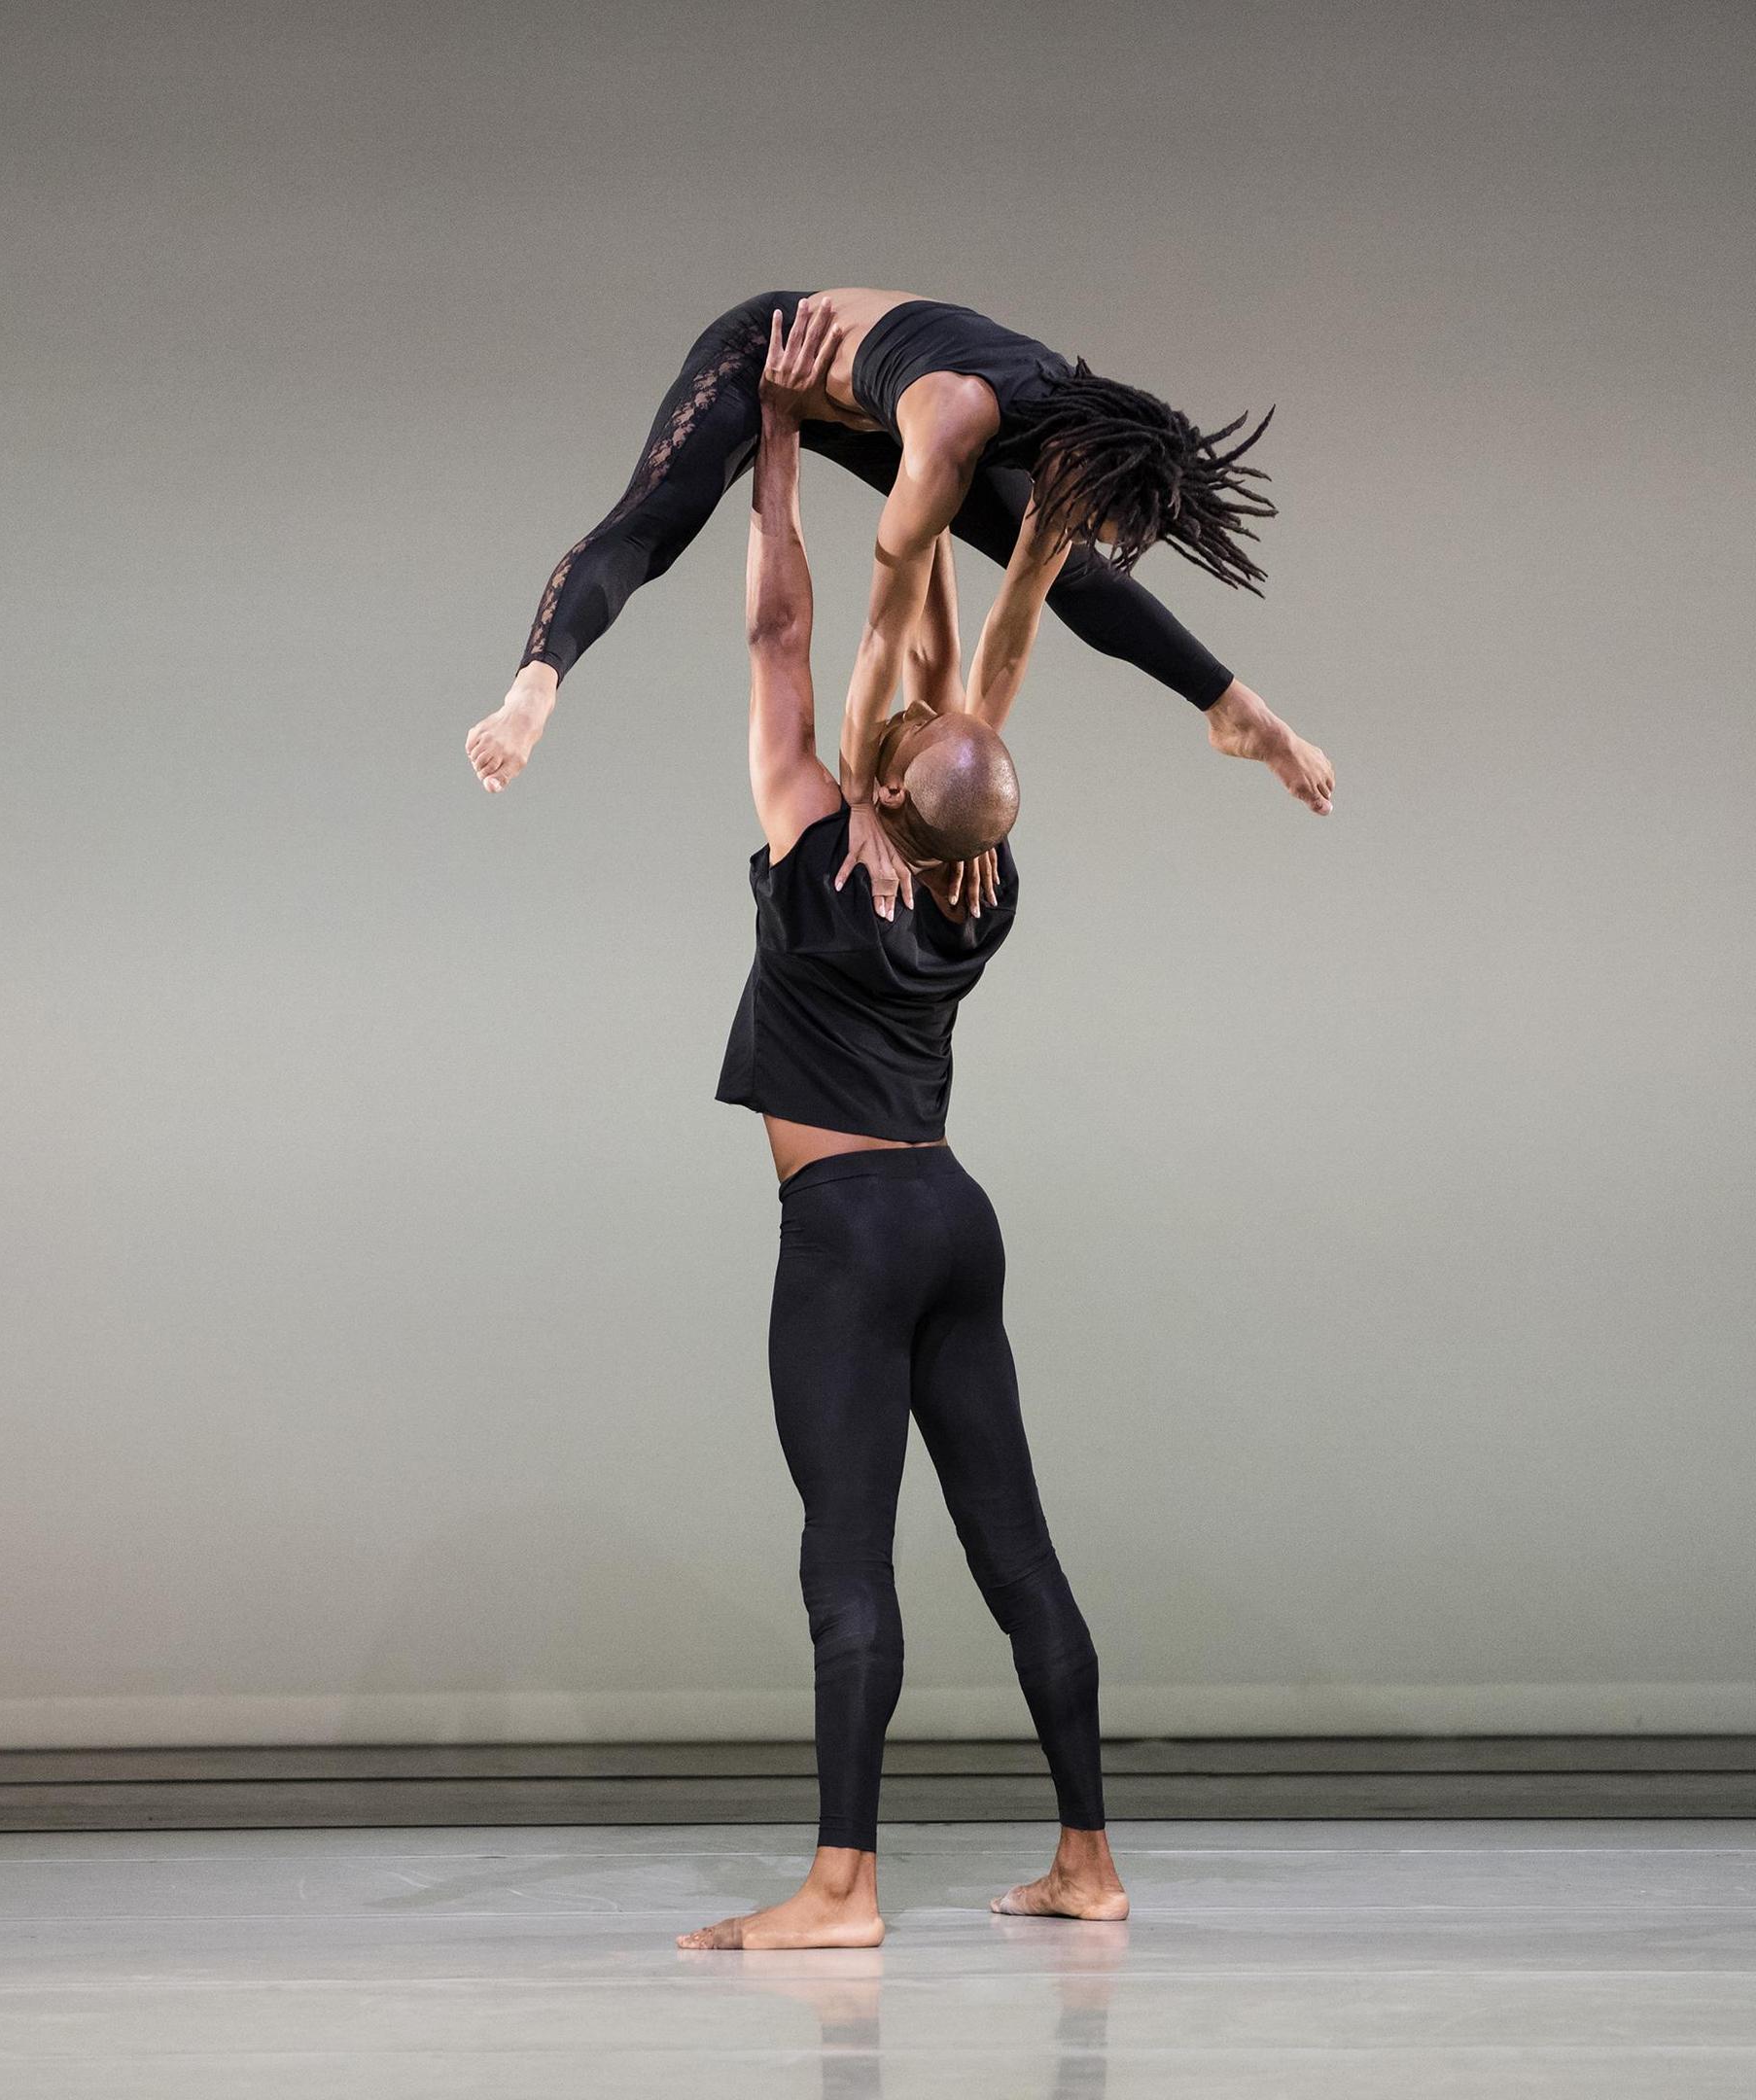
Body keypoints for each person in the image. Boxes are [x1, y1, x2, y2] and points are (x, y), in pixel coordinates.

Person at [677, 312, 1126, 1952]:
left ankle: (841, 1892)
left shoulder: (816, 844)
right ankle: (1089, 1859)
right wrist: (1052, 524)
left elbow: (786, 635)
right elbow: (979, 693)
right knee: (1016, 1550)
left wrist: (779, 443)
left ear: (880, 773)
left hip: (852, 1235)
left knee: (845, 1561)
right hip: (957, 1220)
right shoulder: (984, 881)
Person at [467, 289, 1334, 838]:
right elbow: (887, 629)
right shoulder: (959, 424)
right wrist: (860, 812)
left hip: (886, 411)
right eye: (1084, 507)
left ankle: (1238, 710)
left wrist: (965, 787)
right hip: (773, 353)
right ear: (1079, 456)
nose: (1075, 520)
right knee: (657, 520)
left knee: (1070, 575)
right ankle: (535, 687)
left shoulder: (1075, 440)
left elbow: (1015, 624)